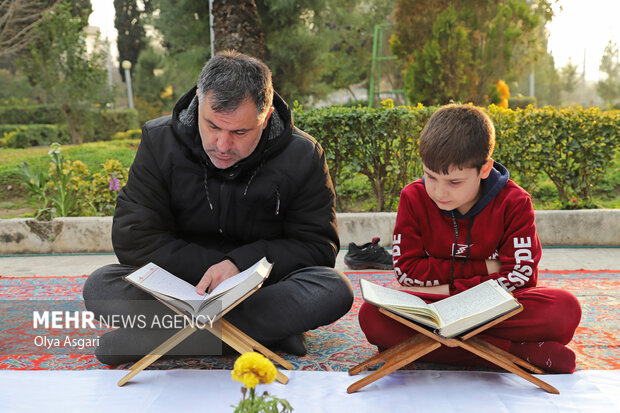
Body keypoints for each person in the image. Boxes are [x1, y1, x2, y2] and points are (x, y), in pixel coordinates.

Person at [83, 50, 353, 364]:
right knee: (101, 286)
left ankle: (163, 337)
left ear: (265, 119)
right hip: (181, 288)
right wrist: (213, 272)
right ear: (198, 99)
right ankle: (264, 332)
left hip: (262, 288)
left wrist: (240, 265)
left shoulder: (303, 155)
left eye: (240, 132)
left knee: (333, 289)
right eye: (212, 126)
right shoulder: (159, 142)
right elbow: (134, 237)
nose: (222, 146)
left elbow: (318, 248)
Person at [358, 104, 582, 373]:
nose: (439, 192)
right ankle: (519, 353)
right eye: (431, 177)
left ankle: (433, 348)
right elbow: (407, 273)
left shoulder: (515, 202)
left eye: (454, 182)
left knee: (563, 309)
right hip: (436, 305)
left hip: (491, 307)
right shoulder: (413, 197)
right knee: (372, 318)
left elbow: (522, 277)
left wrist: (449, 288)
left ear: (484, 169)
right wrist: (487, 267)